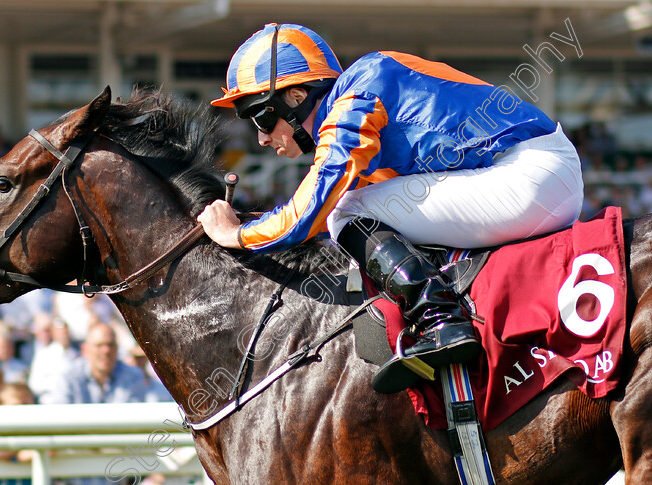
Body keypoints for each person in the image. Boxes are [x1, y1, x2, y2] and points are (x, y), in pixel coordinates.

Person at [199, 23, 584, 392]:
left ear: (297, 96)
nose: (263, 137)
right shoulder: (365, 89)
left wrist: (235, 234)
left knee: (344, 212)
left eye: (262, 116)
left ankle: (438, 318)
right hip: (537, 171)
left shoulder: (356, 99)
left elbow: (309, 214)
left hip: (529, 174)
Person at [40, 322, 149, 404]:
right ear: (85, 349)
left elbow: (129, 418)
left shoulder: (134, 376)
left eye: (110, 345)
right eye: (99, 345)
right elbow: (61, 417)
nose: (106, 351)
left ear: (117, 349)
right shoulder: (68, 376)